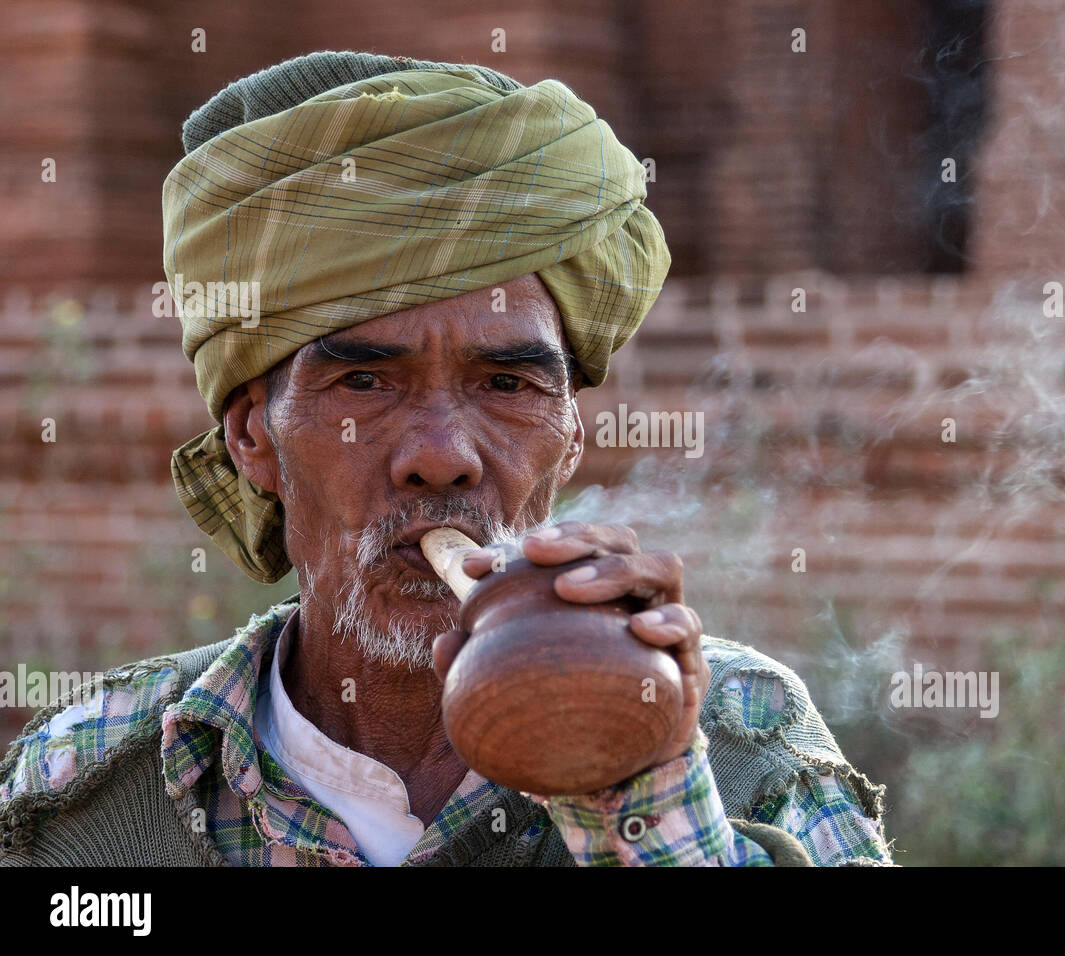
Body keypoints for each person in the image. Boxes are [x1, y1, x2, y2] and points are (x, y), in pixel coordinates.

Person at [0, 51, 893, 867]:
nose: (443, 459)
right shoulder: (84, 791)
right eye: (363, 384)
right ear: (251, 438)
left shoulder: (741, 743)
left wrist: (644, 803)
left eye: (507, 384)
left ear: (573, 439)